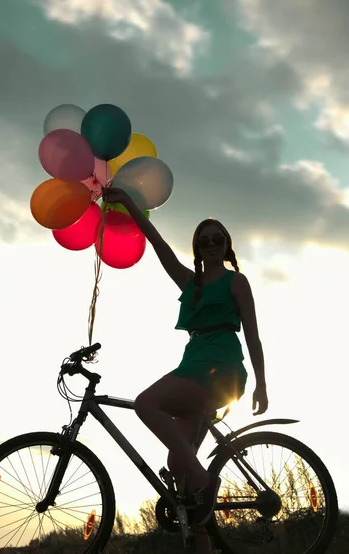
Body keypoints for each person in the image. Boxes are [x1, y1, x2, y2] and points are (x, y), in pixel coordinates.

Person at [102, 186, 268, 553]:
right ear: (198, 248)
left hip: (220, 367)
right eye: (204, 240)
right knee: (178, 468)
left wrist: (262, 384)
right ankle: (199, 500)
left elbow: (254, 336)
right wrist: (129, 204)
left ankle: (204, 479)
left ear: (226, 244)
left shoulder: (235, 282)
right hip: (194, 365)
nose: (211, 243)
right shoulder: (191, 284)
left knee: (147, 404)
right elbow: (159, 246)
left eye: (217, 238)